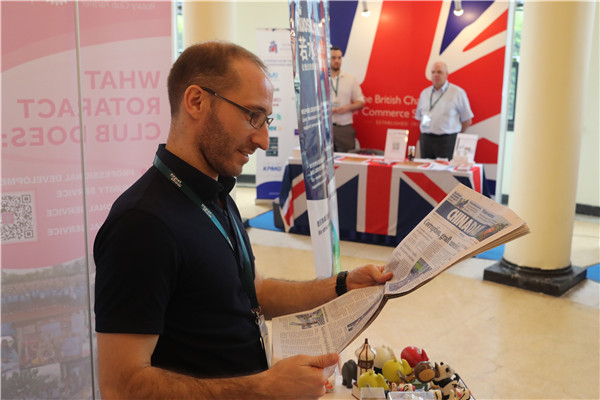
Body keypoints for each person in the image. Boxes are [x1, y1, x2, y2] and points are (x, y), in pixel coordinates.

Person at [94, 41, 393, 400]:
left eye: (266, 120)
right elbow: (120, 385)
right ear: (196, 101)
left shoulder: (215, 191)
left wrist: (342, 285)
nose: (264, 139)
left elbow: (253, 290)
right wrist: (263, 388)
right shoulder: (141, 224)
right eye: (253, 115)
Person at [414, 61, 474, 160]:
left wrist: (454, 136)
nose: (435, 75)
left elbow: (467, 120)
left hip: (447, 141)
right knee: (425, 172)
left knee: (445, 174)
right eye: (433, 72)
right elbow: (420, 117)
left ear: (446, 74)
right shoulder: (424, 93)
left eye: (439, 72)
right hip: (426, 140)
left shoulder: (457, 93)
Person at [330, 46, 365, 152]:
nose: (337, 61)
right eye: (333, 58)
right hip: (325, 127)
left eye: (339, 58)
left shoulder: (350, 79)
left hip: (344, 127)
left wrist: (347, 108)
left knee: (346, 163)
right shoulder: (320, 79)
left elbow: (361, 102)